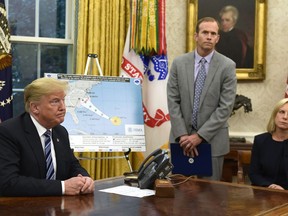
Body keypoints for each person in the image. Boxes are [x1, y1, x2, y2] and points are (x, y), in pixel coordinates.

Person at [167, 17, 237, 181]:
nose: (209, 36)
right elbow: (173, 101)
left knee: (210, 199)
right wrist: (183, 135)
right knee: (179, 197)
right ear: (196, 36)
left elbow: (225, 107)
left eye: (213, 33)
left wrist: (200, 136)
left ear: (217, 38)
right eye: (205, 32)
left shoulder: (227, 66)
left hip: (212, 143)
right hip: (181, 141)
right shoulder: (179, 63)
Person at [0, 77, 95, 196]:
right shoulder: (8, 132)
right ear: (35, 107)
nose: (63, 107)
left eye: (63, 100)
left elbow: (72, 165)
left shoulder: (61, 132)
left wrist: (85, 179)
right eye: (55, 101)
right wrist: (62, 187)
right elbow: (8, 183)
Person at [249, 98, 288, 190]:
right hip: (266, 193)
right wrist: (270, 186)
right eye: (281, 112)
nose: (285, 117)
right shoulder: (260, 141)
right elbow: (254, 173)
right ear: (275, 115)